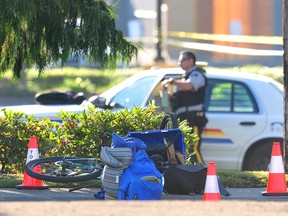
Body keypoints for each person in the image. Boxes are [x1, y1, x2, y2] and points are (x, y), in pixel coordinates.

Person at [161, 51, 208, 163]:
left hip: (193, 117)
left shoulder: (196, 74)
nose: (179, 63)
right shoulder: (183, 77)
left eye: (182, 60)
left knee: (193, 147)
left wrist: (172, 82)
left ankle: (202, 173)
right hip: (183, 117)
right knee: (185, 147)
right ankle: (192, 173)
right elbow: (176, 98)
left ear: (191, 61)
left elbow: (189, 86)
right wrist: (165, 92)